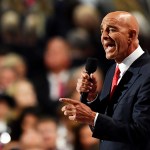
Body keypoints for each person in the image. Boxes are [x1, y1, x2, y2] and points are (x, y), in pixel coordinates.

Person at [59, 11, 150, 150]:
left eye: (112, 29)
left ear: (131, 35)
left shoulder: (147, 72)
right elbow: (109, 124)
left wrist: (92, 117)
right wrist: (92, 98)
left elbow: (142, 132)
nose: (104, 36)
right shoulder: (112, 70)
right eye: (102, 31)